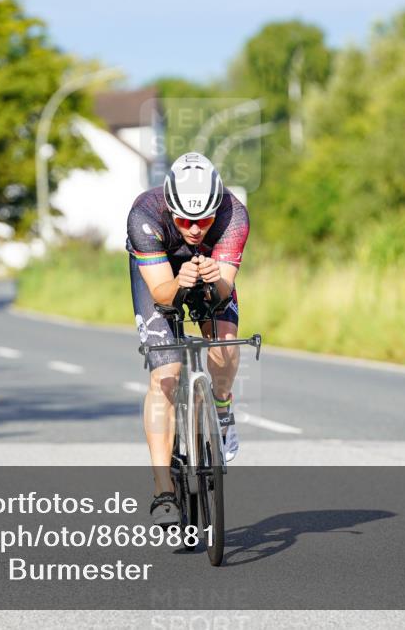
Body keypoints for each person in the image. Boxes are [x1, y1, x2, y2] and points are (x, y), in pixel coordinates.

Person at [125, 152, 250, 526]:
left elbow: (224, 292)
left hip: (211, 272)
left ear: (217, 208)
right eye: (184, 219)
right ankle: (163, 489)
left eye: (203, 220)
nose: (195, 229)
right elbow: (163, 295)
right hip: (161, 275)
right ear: (169, 205)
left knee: (225, 345)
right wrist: (179, 283)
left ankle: (223, 410)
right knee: (166, 372)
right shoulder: (144, 214)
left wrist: (215, 279)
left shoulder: (233, 214)